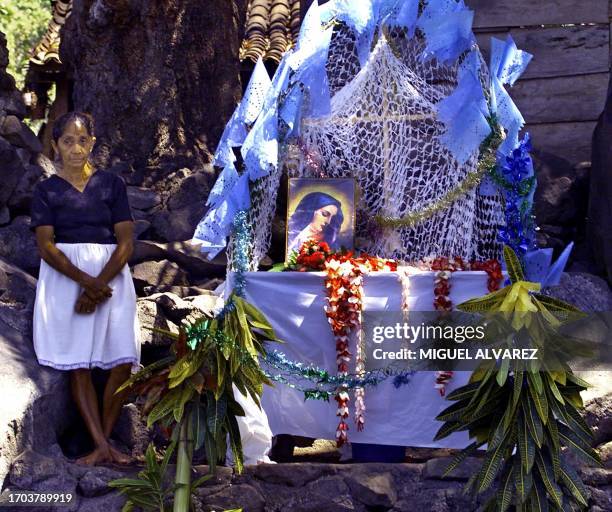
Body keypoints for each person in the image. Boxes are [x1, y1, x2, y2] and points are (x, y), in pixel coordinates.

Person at [30, 111, 140, 466]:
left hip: (112, 278)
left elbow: (125, 241)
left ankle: (103, 443)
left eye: (82, 141)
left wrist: (100, 283)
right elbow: (46, 245)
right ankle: (100, 444)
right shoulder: (46, 190)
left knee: (122, 360)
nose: (76, 149)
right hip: (67, 282)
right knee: (79, 364)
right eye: (67, 141)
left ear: (92, 143)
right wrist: (87, 283)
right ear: (55, 146)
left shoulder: (111, 185)